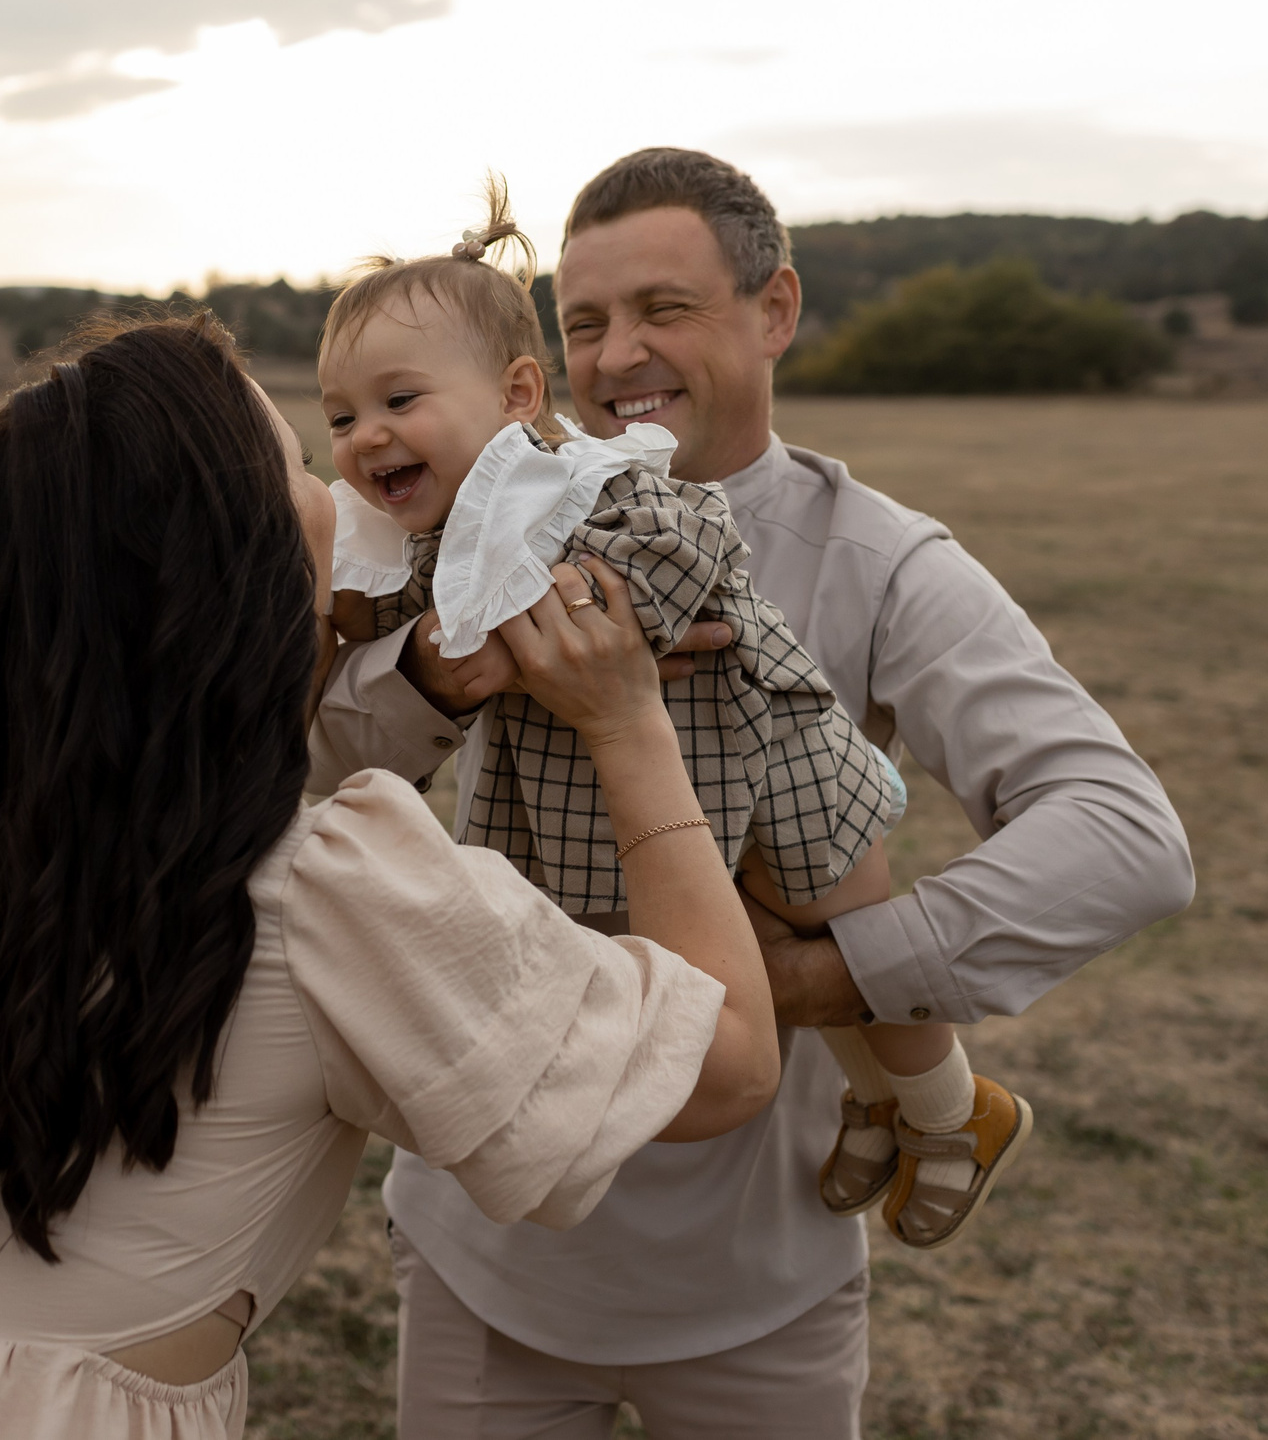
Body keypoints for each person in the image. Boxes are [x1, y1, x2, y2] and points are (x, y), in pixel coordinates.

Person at [0, 315, 784, 1440]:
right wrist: (628, 721)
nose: (333, 485)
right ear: (237, 561)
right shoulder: (325, 890)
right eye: (295, 460)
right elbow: (726, 1065)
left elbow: (216, 757)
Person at [310, 150, 1195, 1438]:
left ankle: (944, 1113)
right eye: (587, 326)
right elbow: (294, 779)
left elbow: (1125, 843)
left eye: (665, 311)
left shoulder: (879, 560)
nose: (619, 361)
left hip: (764, 1284)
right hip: (483, 1256)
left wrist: (795, 981)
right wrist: (439, 681)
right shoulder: (470, 523)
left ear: (774, 310)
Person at [316, 179, 1033, 1252]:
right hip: (654, 812)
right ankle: (883, 1105)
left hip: (774, 761)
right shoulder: (433, 535)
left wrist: (539, 620)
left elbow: (684, 547)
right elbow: (402, 647)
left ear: (517, 396)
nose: (367, 437)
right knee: (745, 939)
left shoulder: (588, 482)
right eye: (341, 418)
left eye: (399, 403)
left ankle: (947, 1110)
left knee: (848, 944)